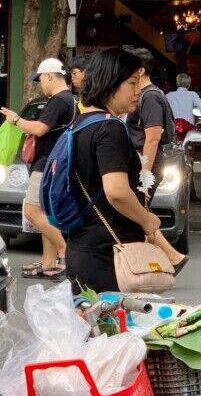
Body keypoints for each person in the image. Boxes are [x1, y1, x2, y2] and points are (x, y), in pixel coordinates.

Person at [65, 48, 187, 293]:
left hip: (84, 248)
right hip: (108, 256)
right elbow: (116, 191)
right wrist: (148, 220)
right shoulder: (110, 129)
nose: (137, 90)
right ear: (109, 83)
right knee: (113, 330)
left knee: (93, 328)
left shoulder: (80, 124)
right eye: (131, 83)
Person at [0, 58, 76, 279]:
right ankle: (48, 261)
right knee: (45, 213)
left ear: (50, 76)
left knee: (32, 211)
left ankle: (64, 252)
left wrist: (16, 120)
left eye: (41, 79)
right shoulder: (68, 99)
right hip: (53, 163)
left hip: (46, 163)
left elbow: (40, 129)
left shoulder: (58, 101)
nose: (40, 84)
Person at [125, 48, 176, 199]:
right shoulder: (145, 94)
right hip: (139, 160)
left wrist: (145, 178)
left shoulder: (150, 97)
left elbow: (153, 139)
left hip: (146, 162)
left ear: (140, 70)